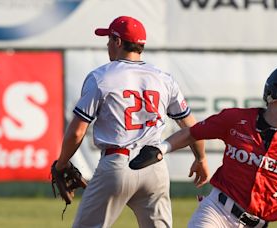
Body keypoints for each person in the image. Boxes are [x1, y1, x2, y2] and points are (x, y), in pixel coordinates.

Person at [130, 64, 277, 228]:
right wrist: (161, 149)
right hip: (217, 212)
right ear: (273, 91)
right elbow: (193, 132)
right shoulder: (236, 119)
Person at [53, 16, 208, 228]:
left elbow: (76, 133)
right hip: (155, 166)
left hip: (118, 164)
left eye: (109, 39)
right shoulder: (163, 78)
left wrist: (62, 164)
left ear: (118, 42)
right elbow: (192, 127)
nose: (107, 44)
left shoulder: (101, 77)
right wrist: (201, 158)